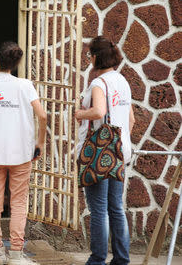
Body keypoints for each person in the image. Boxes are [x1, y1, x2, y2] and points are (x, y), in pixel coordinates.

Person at [0, 41, 46, 265]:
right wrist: (39, 143)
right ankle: (15, 254)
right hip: (20, 152)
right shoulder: (25, 86)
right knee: (18, 203)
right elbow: (42, 116)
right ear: (17, 63)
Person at [75, 36, 135, 265]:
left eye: (89, 54)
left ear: (96, 57)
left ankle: (97, 259)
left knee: (99, 209)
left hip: (99, 154)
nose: (88, 58)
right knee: (116, 208)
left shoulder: (99, 84)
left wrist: (80, 114)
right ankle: (121, 258)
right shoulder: (122, 81)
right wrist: (119, 143)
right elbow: (130, 120)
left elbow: (99, 112)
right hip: (120, 151)